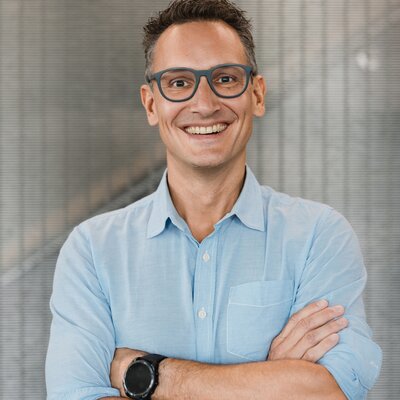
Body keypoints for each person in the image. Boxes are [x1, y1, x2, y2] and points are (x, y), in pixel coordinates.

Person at [45, 0, 382, 399]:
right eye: (178, 83)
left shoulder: (318, 237)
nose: (204, 105)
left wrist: (149, 375)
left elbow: (331, 391)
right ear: (151, 104)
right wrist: (270, 381)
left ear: (257, 94)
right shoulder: (92, 251)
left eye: (225, 79)